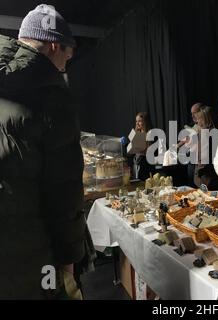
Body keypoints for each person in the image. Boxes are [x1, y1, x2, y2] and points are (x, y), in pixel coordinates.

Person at [0, 4, 86, 299]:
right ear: (53, 46)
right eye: (67, 57)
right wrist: (71, 256)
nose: (65, 67)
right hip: (32, 256)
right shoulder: (52, 97)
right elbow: (63, 192)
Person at [192, 106, 218, 191]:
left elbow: (203, 160)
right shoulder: (214, 131)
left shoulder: (206, 133)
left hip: (206, 179)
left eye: (199, 118)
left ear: (206, 118)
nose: (198, 121)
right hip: (209, 178)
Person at [128, 112, 155, 181]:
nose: (137, 123)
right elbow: (130, 147)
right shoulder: (135, 132)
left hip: (145, 165)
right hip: (136, 163)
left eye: (139, 121)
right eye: (136, 121)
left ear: (145, 122)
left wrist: (142, 150)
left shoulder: (150, 134)